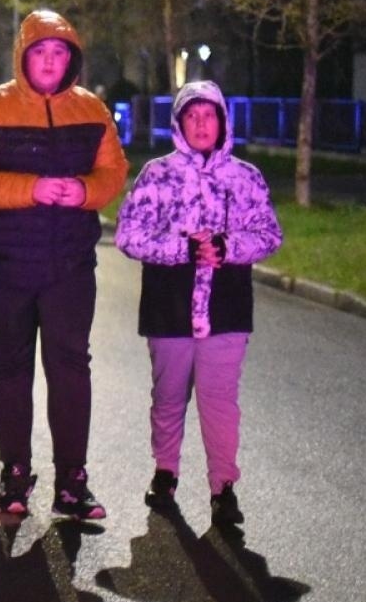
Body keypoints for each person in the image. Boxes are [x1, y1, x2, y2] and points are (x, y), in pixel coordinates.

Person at [0, 9, 129, 518]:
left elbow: (113, 171)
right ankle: (15, 476)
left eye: (59, 52)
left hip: (70, 262)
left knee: (71, 367)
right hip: (5, 264)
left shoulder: (91, 110)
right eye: (40, 52)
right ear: (23, 56)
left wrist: (87, 190)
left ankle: (73, 481)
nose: (50, 62)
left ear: (72, 58)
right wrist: (32, 189)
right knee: (11, 366)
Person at [115, 80, 281, 526]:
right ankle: (165, 471)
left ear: (223, 121)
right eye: (192, 116)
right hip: (168, 306)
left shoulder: (244, 178)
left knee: (219, 401)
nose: (202, 124)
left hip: (226, 308)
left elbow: (269, 234)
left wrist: (228, 247)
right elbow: (128, 236)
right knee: (168, 397)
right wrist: (181, 249)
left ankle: (223, 486)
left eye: (209, 115)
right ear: (180, 122)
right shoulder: (156, 175)